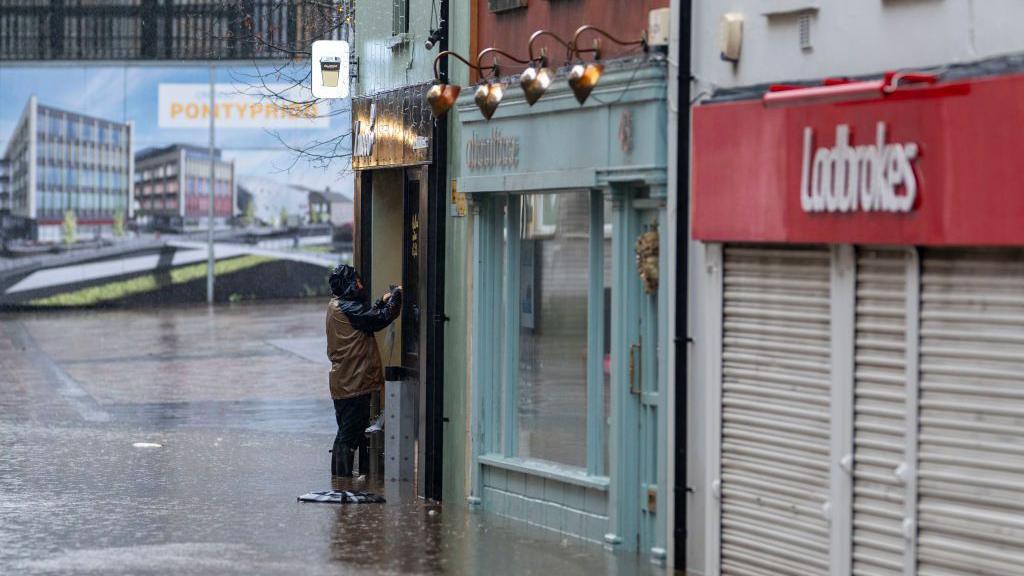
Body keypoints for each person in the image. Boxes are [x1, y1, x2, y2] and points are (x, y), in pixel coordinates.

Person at [326, 264, 402, 477]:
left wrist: (380, 302)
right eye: (356, 282)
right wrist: (397, 297)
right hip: (354, 383)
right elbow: (379, 319)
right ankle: (342, 486)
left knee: (348, 434)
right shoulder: (348, 309)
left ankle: (343, 483)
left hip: (346, 383)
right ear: (348, 285)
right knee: (349, 436)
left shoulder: (338, 306)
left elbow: (366, 318)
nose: (360, 285)